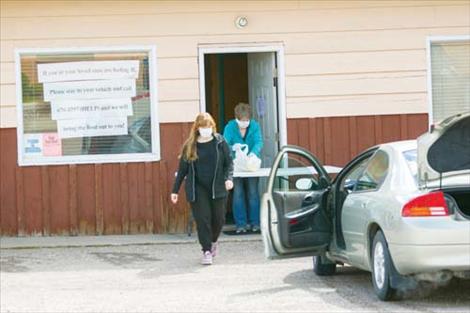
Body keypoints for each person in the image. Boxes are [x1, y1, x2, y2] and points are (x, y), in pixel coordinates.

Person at [171, 112, 233, 265]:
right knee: (203, 219)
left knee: (218, 219)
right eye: (203, 127)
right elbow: (182, 169)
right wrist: (175, 190)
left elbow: (229, 163)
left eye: (209, 126)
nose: (206, 129)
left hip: (217, 186)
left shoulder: (220, 142)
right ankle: (206, 250)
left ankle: (213, 242)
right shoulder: (190, 145)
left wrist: (229, 179)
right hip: (197, 188)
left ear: (213, 127)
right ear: (197, 128)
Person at [223, 102, 263, 234]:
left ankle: (255, 223)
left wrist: (253, 153)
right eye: (242, 120)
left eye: (247, 120)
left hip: (251, 164)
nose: (244, 123)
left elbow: (259, 142)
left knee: (253, 193)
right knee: (238, 193)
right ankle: (241, 225)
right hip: (236, 165)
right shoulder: (230, 127)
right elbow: (225, 143)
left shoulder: (255, 126)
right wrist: (233, 152)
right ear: (237, 118)